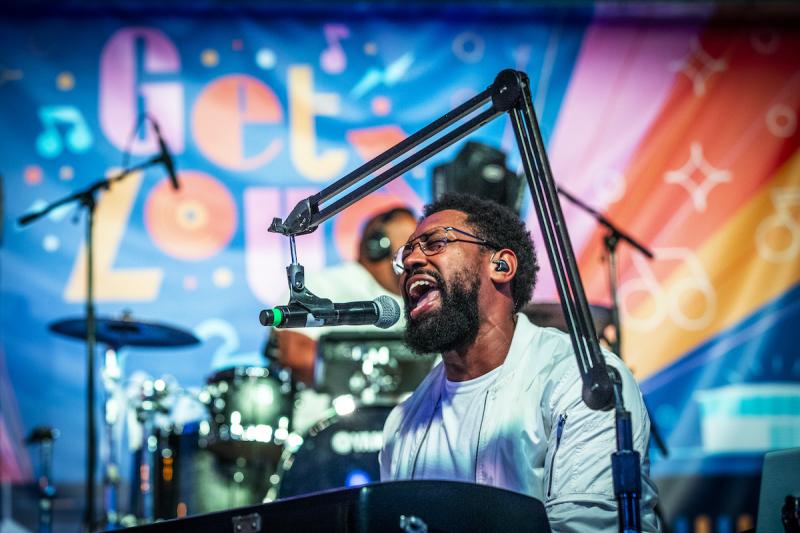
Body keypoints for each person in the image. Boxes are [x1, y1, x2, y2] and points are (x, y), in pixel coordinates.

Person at [379, 193, 660, 532]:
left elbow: (585, 527)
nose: (412, 260)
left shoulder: (579, 381)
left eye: (435, 242)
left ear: (501, 266)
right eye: (406, 253)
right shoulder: (403, 423)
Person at [269, 205, 418, 432]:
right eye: (406, 250)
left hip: (405, 429)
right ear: (375, 248)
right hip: (327, 431)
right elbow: (295, 353)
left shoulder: (423, 296)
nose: (417, 259)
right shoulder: (327, 285)